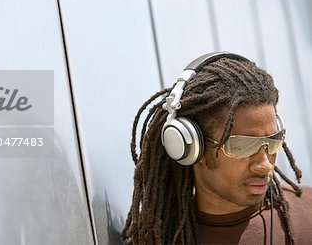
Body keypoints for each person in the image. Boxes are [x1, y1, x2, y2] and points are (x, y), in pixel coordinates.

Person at [122, 52, 312, 244]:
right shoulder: (163, 239)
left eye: (273, 141)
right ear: (192, 146)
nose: (265, 165)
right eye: (244, 146)